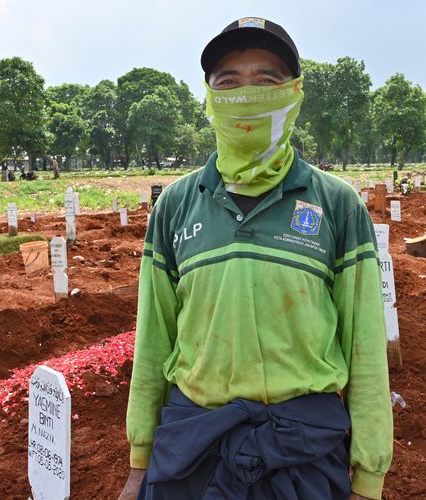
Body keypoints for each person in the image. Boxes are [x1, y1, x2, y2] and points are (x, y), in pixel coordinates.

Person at [121, 17, 392, 500]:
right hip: (193, 446)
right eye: (228, 82)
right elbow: (154, 338)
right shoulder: (176, 205)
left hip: (302, 450)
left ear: (294, 93)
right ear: (208, 96)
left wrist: (368, 478)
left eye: (267, 81)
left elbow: (365, 347)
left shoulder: (336, 204)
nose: (246, 95)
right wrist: (139, 461)